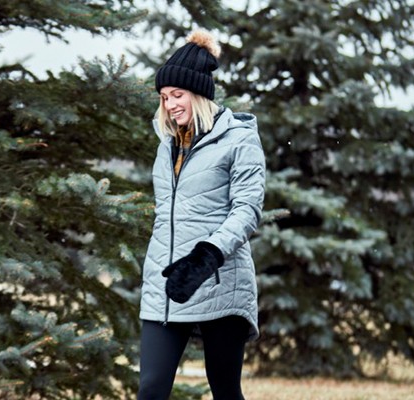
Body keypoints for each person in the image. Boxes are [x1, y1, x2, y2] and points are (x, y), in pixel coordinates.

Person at [138, 29, 266, 399]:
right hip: (167, 281)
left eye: (177, 95)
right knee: (150, 388)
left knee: (225, 388)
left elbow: (247, 210)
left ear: (199, 94)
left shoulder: (239, 139)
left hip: (221, 281)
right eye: (164, 98)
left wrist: (205, 257)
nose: (170, 105)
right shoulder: (167, 144)